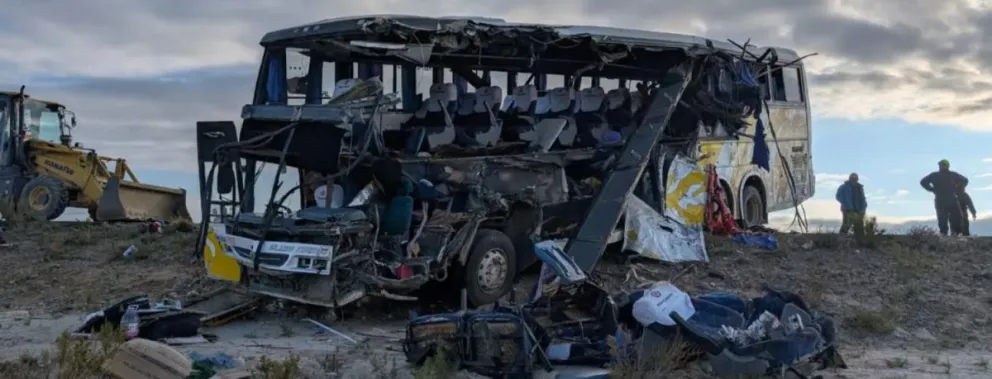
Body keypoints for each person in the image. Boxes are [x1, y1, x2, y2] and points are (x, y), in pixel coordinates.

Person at [920, 159, 969, 236]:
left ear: (947, 166)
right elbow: (923, 182)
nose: (941, 166)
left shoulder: (953, 175)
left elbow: (965, 180)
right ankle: (943, 234)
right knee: (942, 218)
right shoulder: (934, 175)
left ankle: (956, 233)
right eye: (940, 164)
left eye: (943, 164)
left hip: (952, 199)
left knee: (957, 216)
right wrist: (931, 189)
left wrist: (958, 189)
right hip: (940, 199)